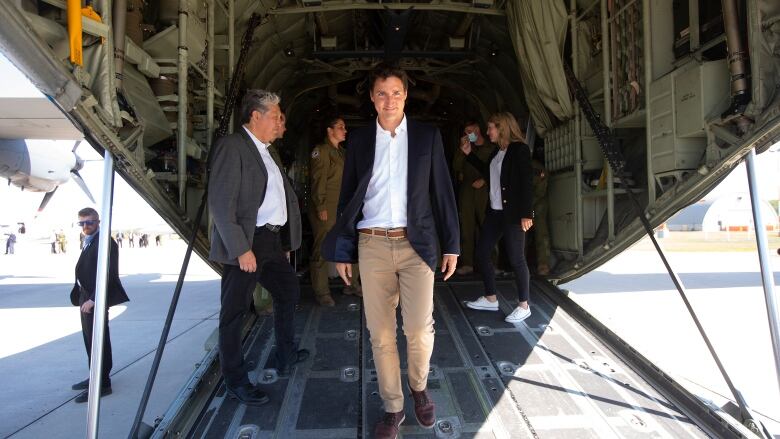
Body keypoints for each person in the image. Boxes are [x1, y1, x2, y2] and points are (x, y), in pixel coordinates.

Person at [322, 63, 460, 438]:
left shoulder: (428, 136)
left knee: (418, 329)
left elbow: (443, 193)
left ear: (405, 95)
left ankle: (418, 387)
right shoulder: (361, 141)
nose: (389, 100)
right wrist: (343, 248)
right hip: (372, 244)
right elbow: (349, 197)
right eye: (381, 93)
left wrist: (453, 244)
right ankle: (393, 407)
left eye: (396, 92)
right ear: (371, 97)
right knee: (381, 334)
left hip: (418, 244)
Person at [208, 89, 307, 407]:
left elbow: (278, 198)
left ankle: (285, 353)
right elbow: (222, 204)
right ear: (256, 116)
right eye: (276, 115)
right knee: (234, 312)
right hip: (247, 242)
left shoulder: (268, 152)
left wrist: (285, 242)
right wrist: (240, 249)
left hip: (271, 241)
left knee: (288, 290)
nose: (280, 122)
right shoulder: (232, 147)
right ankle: (235, 380)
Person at [462, 112, 534, 324]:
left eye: (490, 127)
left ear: (501, 128)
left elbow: (526, 183)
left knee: (516, 259)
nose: (487, 132)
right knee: (482, 252)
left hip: (512, 214)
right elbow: (489, 173)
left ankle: (524, 305)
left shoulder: (519, 150)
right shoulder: (497, 152)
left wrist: (526, 214)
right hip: (495, 213)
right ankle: (491, 298)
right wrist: (469, 154)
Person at [69, 207, 129, 403]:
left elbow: (108, 274)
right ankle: (95, 376)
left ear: (98, 223)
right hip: (85, 296)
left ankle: (103, 384)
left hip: (94, 298)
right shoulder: (89, 240)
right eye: (82, 223)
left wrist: (93, 299)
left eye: (90, 222)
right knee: (90, 340)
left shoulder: (106, 243)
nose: (86, 226)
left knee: (98, 340)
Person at [309, 116, 361, 306]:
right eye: (340, 127)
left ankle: (351, 284)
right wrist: (321, 206)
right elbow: (317, 181)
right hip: (327, 208)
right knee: (322, 248)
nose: (344, 130)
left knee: (350, 244)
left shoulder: (342, 153)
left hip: (343, 209)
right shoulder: (321, 151)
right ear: (329, 131)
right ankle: (322, 292)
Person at [451, 121, 496, 275]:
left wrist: (484, 180)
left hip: (486, 189)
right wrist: (462, 151)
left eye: (470, 130)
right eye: (465, 131)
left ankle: (492, 264)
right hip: (468, 190)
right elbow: (456, 167)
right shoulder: (465, 148)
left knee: (488, 226)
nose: (468, 133)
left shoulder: (491, 147)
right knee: (467, 227)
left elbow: (496, 168)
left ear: (478, 129)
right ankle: (468, 264)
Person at [531, 158, 550, 275]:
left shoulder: (536, 167)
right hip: (521, 204)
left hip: (537, 203)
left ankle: (543, 264)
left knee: (541, 233)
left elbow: (540, 191)